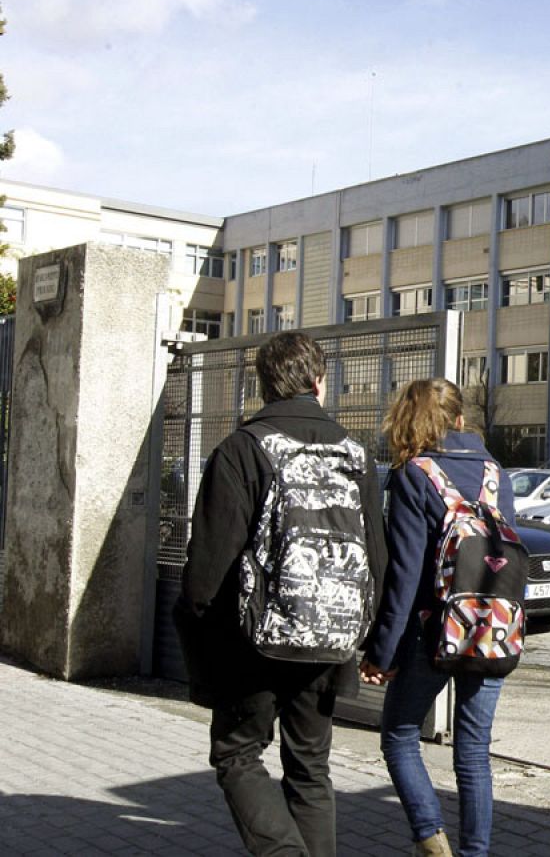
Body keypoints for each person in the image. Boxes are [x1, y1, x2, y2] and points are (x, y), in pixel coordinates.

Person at [176, 331, 389, 857]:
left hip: (253, 641)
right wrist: (367, 633)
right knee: (311, 768)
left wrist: (201, 638)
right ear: (321, 381)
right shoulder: (356, 454)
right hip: (331, 635)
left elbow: (207, 568)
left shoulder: (243, 449)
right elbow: (377, 556)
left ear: (264, 385)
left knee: (237, 754)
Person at [360, 379, 518, 857]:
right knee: (473, 753)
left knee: (400, 736)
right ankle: (474, 853)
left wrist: (382, 653)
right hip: (493, 629)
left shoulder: (414, 474)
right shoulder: (495, 472)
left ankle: (431, 841)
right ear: (460, 420)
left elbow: (405, 576)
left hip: (431, 634)